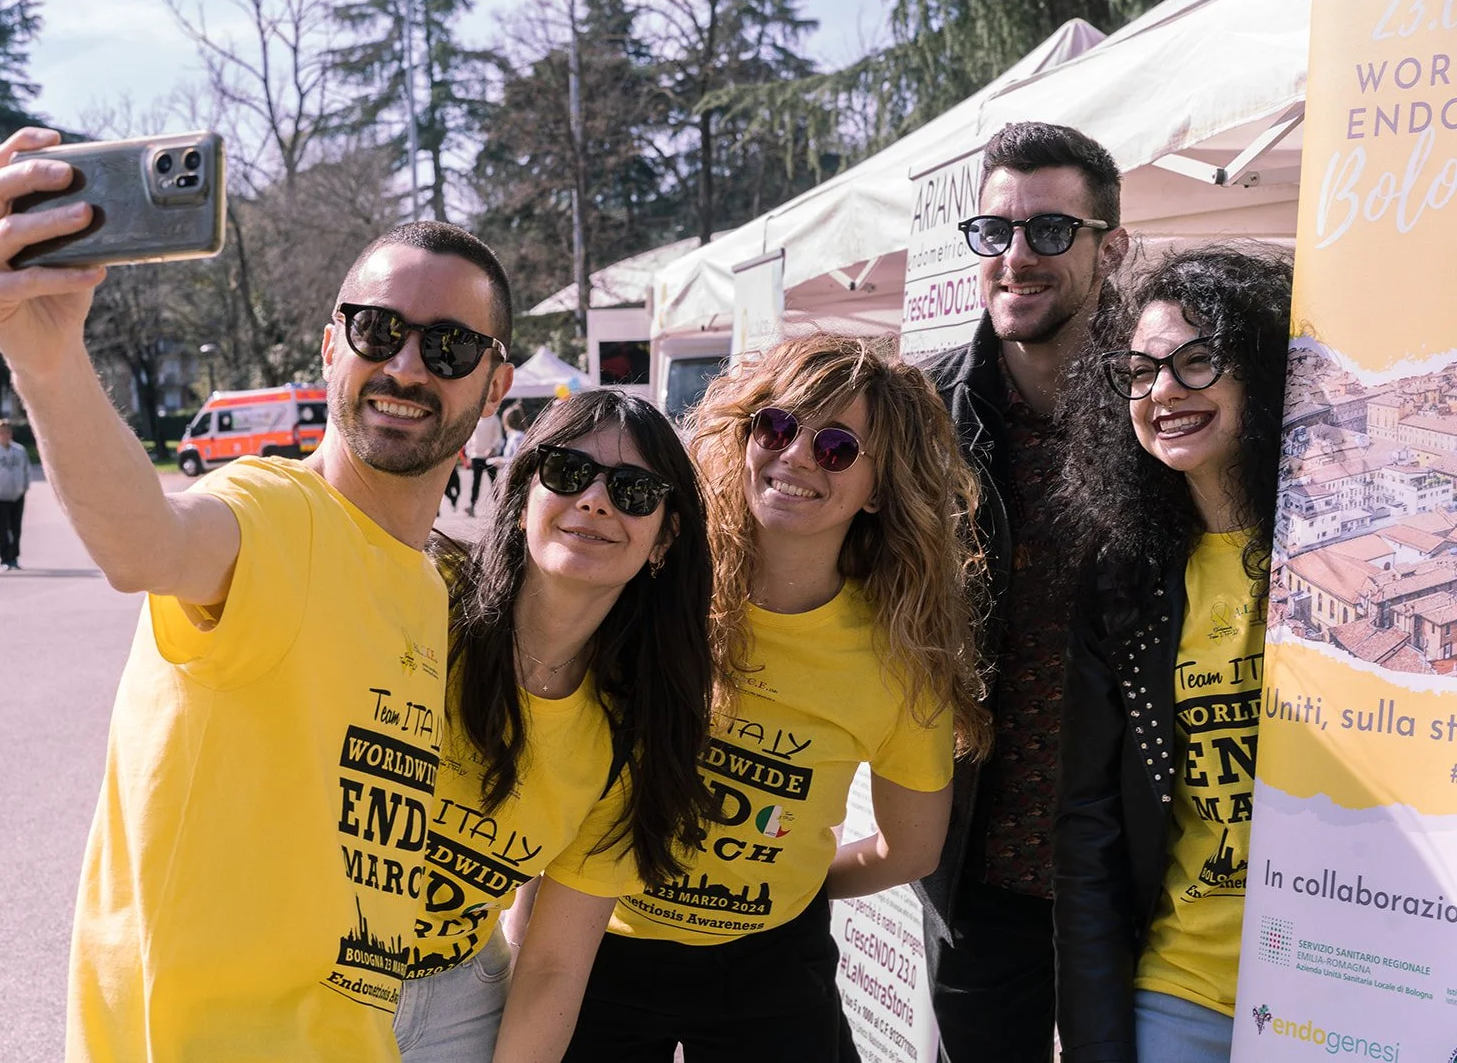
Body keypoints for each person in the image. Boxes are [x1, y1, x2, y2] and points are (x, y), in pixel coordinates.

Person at [0, 126, 514, 1062]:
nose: (408, 366)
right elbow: (149, 541)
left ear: (495, 386)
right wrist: (45, 363)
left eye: (451, 346)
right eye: (379, 331)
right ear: (331, 346)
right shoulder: (278, 512)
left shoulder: (424, 587)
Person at [567, 333, 989, 1062]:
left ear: (879, 487)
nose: (796, 455)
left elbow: (912, 849)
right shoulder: (651, 585)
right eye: (777, 426)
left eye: (836, 447)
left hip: (769, 968)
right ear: (746, 438)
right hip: (593, 942)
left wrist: (787, 886)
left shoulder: (900, 659)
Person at [395, 388, 715, 1062]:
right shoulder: (417, 600)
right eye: (569, 472)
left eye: (633, 491)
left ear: (665, 538)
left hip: (455, 1000)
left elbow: (553, 965)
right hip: (304, 974)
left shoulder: (634, 733)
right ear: (523, 498)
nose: (595, 501)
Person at [920, 120, 1130, 1062]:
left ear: (1109, 247)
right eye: (995, 231)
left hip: (1135, 866)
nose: (1016, 256)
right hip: (975, 865)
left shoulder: (1165, 402)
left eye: (1050, 230)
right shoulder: (921, 415)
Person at [1053, 246, 1291, 1062]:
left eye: (1197, 362)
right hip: (1181, 993)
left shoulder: (1346, 544)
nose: (1162, 392)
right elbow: (1089, 828)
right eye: (1141, 371)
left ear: (1262, 372)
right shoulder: (1123, 575)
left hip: (1345, 985)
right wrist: (1095, 1040)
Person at [0, 418, 32, 569]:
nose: (5, 435)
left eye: (8, 432)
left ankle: (14, 557)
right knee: (2, 529)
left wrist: (25, 486)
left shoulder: (19, 450)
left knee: (16, 528)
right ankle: (5, 559)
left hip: (17, 494)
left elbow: (26, 469)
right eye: (2, 433)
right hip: (0, 496)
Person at [465, 406, 505, 515]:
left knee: (494, 482)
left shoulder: (494, 419)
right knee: (476, 482)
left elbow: (498, 437)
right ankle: (472, 506)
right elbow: (470, 438)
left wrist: (492, 448)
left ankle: (499, 507)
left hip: (490, 457)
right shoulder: (475, 419)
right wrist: (469, 453)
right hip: (476, 456)